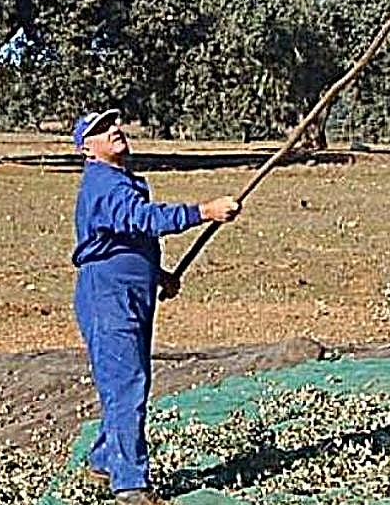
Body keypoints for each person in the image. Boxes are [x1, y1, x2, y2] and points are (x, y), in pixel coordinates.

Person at [71, 108, 240, 505]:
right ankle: (130, 486)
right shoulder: (103, 183)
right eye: (100, 129)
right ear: (87, 149)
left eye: (114, 123)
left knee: (127, 379)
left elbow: (123, 236)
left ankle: (104, 462)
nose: (114, 129)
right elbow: (140, 219)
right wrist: (203, 212)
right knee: (126, 383)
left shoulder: (119, 180)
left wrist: (157, 274)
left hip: (129, 289)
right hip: (108, 294)